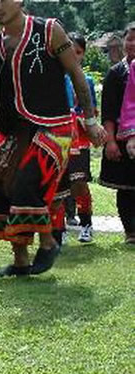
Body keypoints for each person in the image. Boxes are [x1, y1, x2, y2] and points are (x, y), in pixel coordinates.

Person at [0, 0, 106, 277]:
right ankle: (21, 261)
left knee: (26, 179)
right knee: (4, 188)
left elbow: (76, 74)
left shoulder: (49, 31)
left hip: (54, 127)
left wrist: (90, 121)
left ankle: (48, 243)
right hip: (17, 131)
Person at [60, 33, 99, 245]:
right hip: (58, 137)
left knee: (79, 182)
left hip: (80, 139)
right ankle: (59, 228)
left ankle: (86, 224)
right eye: (69, 51)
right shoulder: (54, 79)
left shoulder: (88, 81)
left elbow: (91, 110)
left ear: (83, 54)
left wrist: (86, 122)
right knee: (58, 183)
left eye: (78, 52)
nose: (73, 56)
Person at [100, 23, 135, 244]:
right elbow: (109, 112)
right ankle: (131, 231)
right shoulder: (116, 73)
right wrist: (110, 141)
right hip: (122, 138)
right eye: (129, 39)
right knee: (126, 188)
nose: (132, 44)